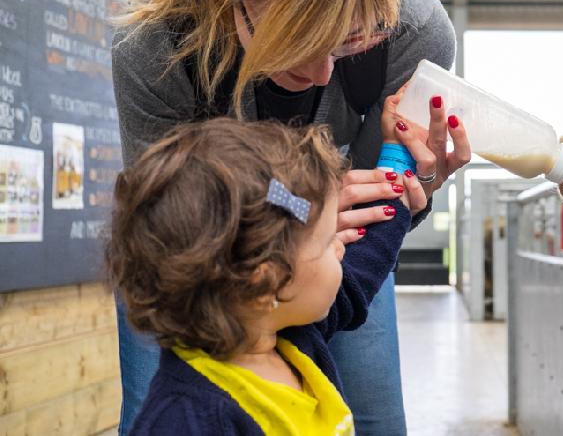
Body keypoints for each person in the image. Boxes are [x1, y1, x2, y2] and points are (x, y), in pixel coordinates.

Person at [111, 0, 470, 433]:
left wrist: (407, 185)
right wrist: (305, 213)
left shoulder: (412, 30)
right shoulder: (154, 43)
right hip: (199, 261)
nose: (324, 72)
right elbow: (168, 231)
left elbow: (360, 234)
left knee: (375, 415)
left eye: (348, 42)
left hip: (318, 249)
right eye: (296, 40)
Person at [106, 114, 424, 434]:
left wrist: (397, 165)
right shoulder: (184, 419)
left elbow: (361, 269)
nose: (342, 250)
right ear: (266, 281)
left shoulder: (291, 336)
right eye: (328, 241)